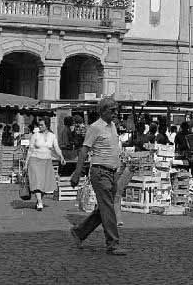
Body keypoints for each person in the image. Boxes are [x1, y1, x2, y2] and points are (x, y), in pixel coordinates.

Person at [70, 97, 127, 256]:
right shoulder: (95, 128)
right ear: (102, 111)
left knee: (104, 208)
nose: (115, 113)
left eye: (116, 109)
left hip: (112, 172)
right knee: (108, 208)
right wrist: (77, 173)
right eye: (112, 110)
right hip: (100, 172)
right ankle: (113, 244)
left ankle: (80, 232)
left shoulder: (113, 126)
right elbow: (84, 151)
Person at [25, 117, 65, 211]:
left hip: (46, 161)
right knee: (37, 182)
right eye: (39, 125)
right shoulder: (35, 135)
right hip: (34, 160)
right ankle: (40, 202)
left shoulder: (52, 136)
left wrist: (61, 157)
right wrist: (26, 163)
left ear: (47, 125)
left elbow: (56, 147)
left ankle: (39, 200)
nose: (40, 127)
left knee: (43, 184)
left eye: (42, 125)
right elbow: (30, 150)